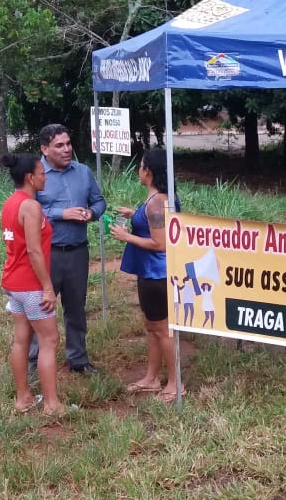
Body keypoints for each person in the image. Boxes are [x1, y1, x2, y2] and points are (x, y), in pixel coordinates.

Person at [30, 124, 106, 374]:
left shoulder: (83, 172)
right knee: (41, 308)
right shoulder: (35, 174)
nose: (67, 149)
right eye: (59, 145)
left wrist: (91, 213)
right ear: (44, 149)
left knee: (76, 308)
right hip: (47, 254)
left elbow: (99, 200)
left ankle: (78, 360)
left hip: (77, 251)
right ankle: (34, 361)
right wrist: (63, 213)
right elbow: (29, 211)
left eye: (68, 143)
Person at [111, 148, 184, 404]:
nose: (138, 170)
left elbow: (160, 243)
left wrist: (126, 236)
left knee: (163, 329)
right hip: (151, 272)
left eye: (140, 165)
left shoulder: (157, 202)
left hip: (157, 273)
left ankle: (175, 384)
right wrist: (135, 215)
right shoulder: (160, 198)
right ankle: (152, 378)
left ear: (148, 171)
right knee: (152, 326)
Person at [0, 153, 65, 415]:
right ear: (30, 177)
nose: (44, 176)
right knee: (49, 340)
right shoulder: (31, 207)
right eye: (41, 172)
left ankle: (23, 397)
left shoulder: (10, 203)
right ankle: (52, 404)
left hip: (13, 282)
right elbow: (34, 252)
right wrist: (47, 288)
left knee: (21, 339)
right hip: (30, 285)